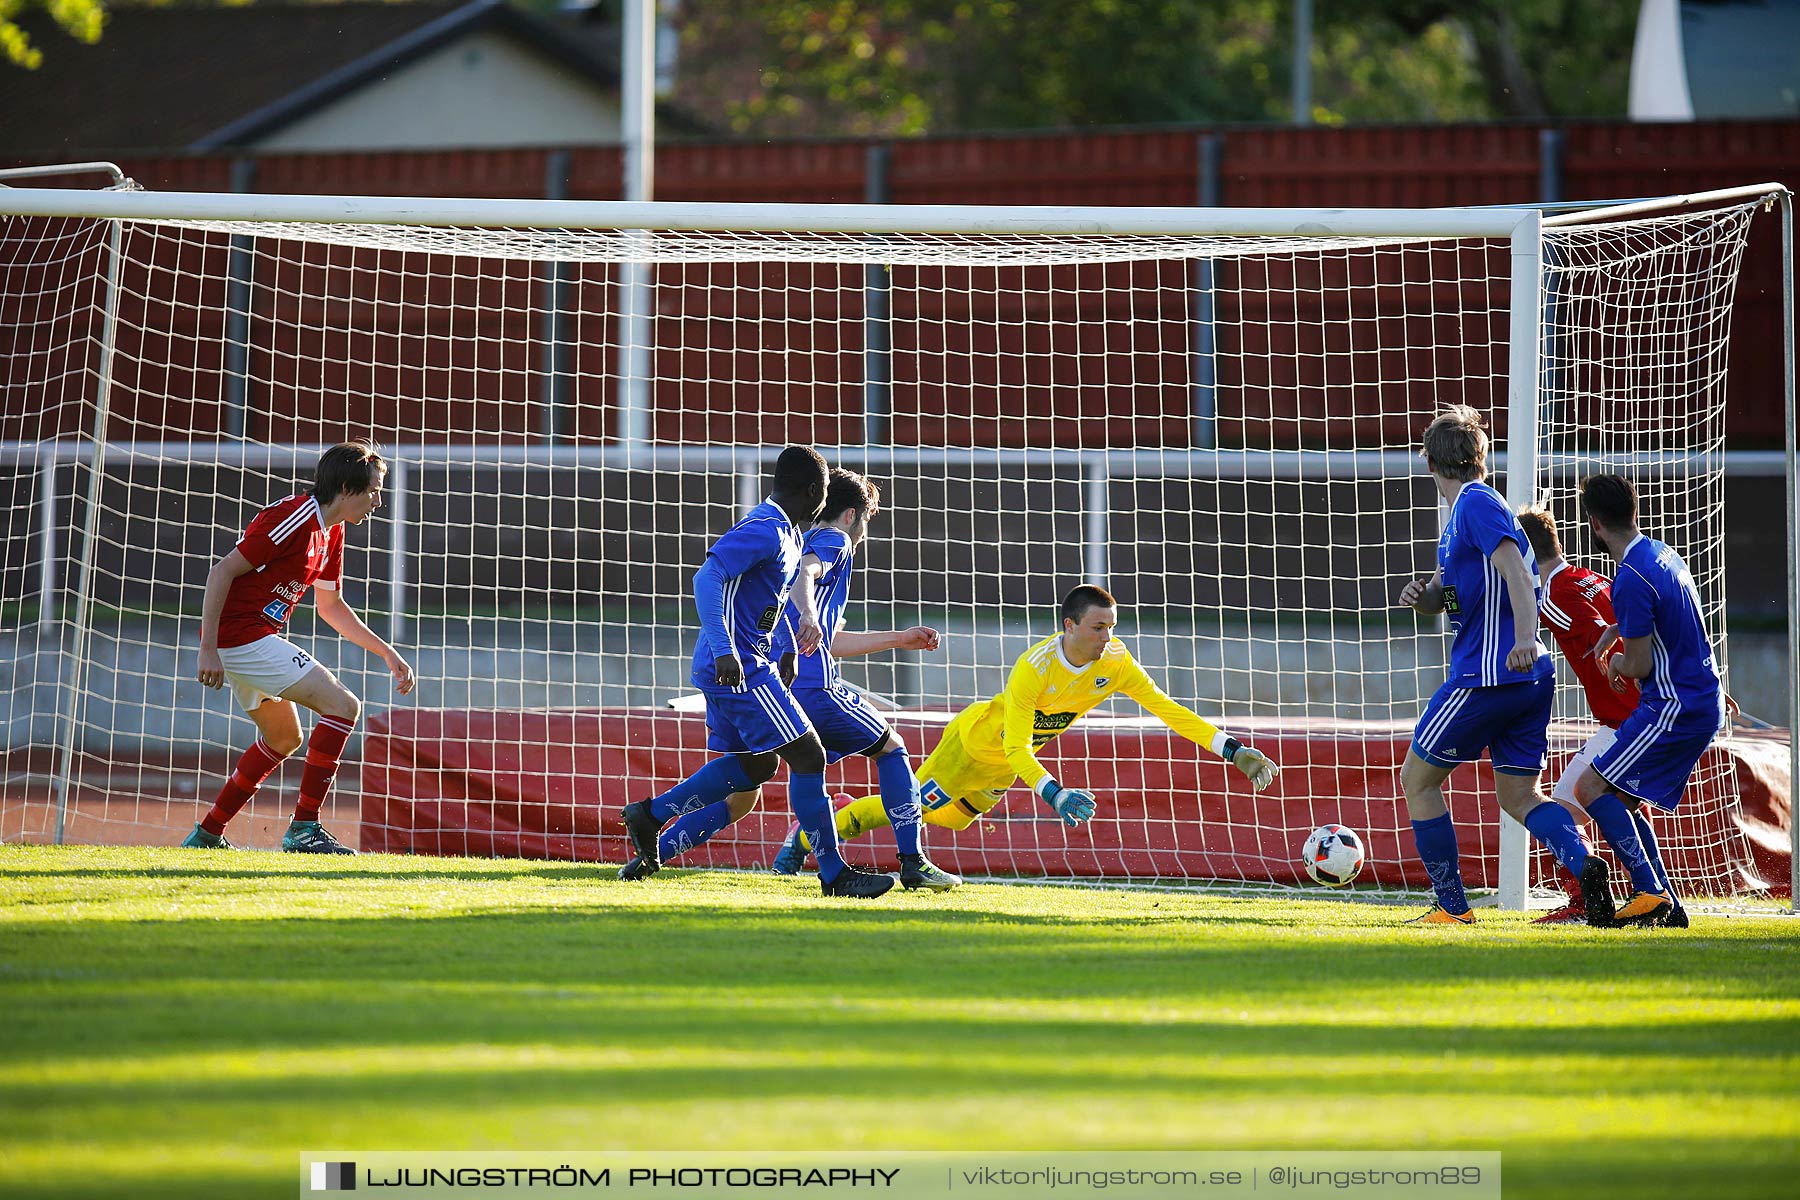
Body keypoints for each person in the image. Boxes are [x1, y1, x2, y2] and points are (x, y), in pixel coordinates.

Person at [772, 583, 1280, 869]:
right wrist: (1055, 794)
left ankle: (839, 814)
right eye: (1099, 627)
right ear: (1070, 627)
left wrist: (1234, 750)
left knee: (949, 821)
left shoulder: (1117, 664)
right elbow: (1017, 746)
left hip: (1004, 766)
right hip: (973, 747)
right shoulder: (1034, 670)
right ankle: (812, 832)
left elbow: (1168, 710)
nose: (1108, 636)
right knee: (904, 810)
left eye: (1113, 627)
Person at [626, 468, 960, 891]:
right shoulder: (832, 541)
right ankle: (910, 862)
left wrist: (898, 639)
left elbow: (827, 638)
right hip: (806, 685)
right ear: (850, 515)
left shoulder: (791, 540)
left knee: (746, 785)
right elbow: (805, 575)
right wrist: (804, 613)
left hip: (766, 676)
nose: (864, 532)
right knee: (891, 750)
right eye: (867, 521)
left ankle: (648, 849)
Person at [1394, 406, 1602, 925]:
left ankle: (1451, 906)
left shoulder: (1476, 504)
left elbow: (1514, 568)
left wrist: (1526, 637)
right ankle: (1584, 864)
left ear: (1429, 464)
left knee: (1416, 780)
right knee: (1518, 795)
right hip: (1526, 680)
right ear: (1480, 456)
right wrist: (1427, 598)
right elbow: (1463, 592)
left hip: (1488, 675)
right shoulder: (1471, 511)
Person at [186, 439, 416, 853]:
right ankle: (305, 830)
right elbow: (221, 571)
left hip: (253, 638)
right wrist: (209, 649)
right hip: (240, 637)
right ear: (347, 489)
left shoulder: (333, 531)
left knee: (283, 738)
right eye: (374, 490)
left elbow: (330, 605)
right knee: (344, 706)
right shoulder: (294, 517)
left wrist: (385, 650)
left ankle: (206, 835)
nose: (379, 501)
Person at [1564, 473, 1726, 928]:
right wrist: (1620, 629)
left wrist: (1614, 663)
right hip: (1698, 697)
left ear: (1593, 522)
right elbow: (1676, 622)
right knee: (1624, 798)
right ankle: (1666, 904)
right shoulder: (1662, 555)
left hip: (1674, 706)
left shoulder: (1631, 577)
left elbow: (1635, 666)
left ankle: (1651, 893)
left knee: (1588, 789)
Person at [1517, 504, 1688, 926]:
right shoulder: (1591, 577)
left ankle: (1586, 901)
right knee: (1618, 803)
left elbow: (1601, 636)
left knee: (1566, 800)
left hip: (1631, 720)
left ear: (1523, 550)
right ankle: (1664, 901)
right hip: (1651, 709)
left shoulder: (1553, 596)